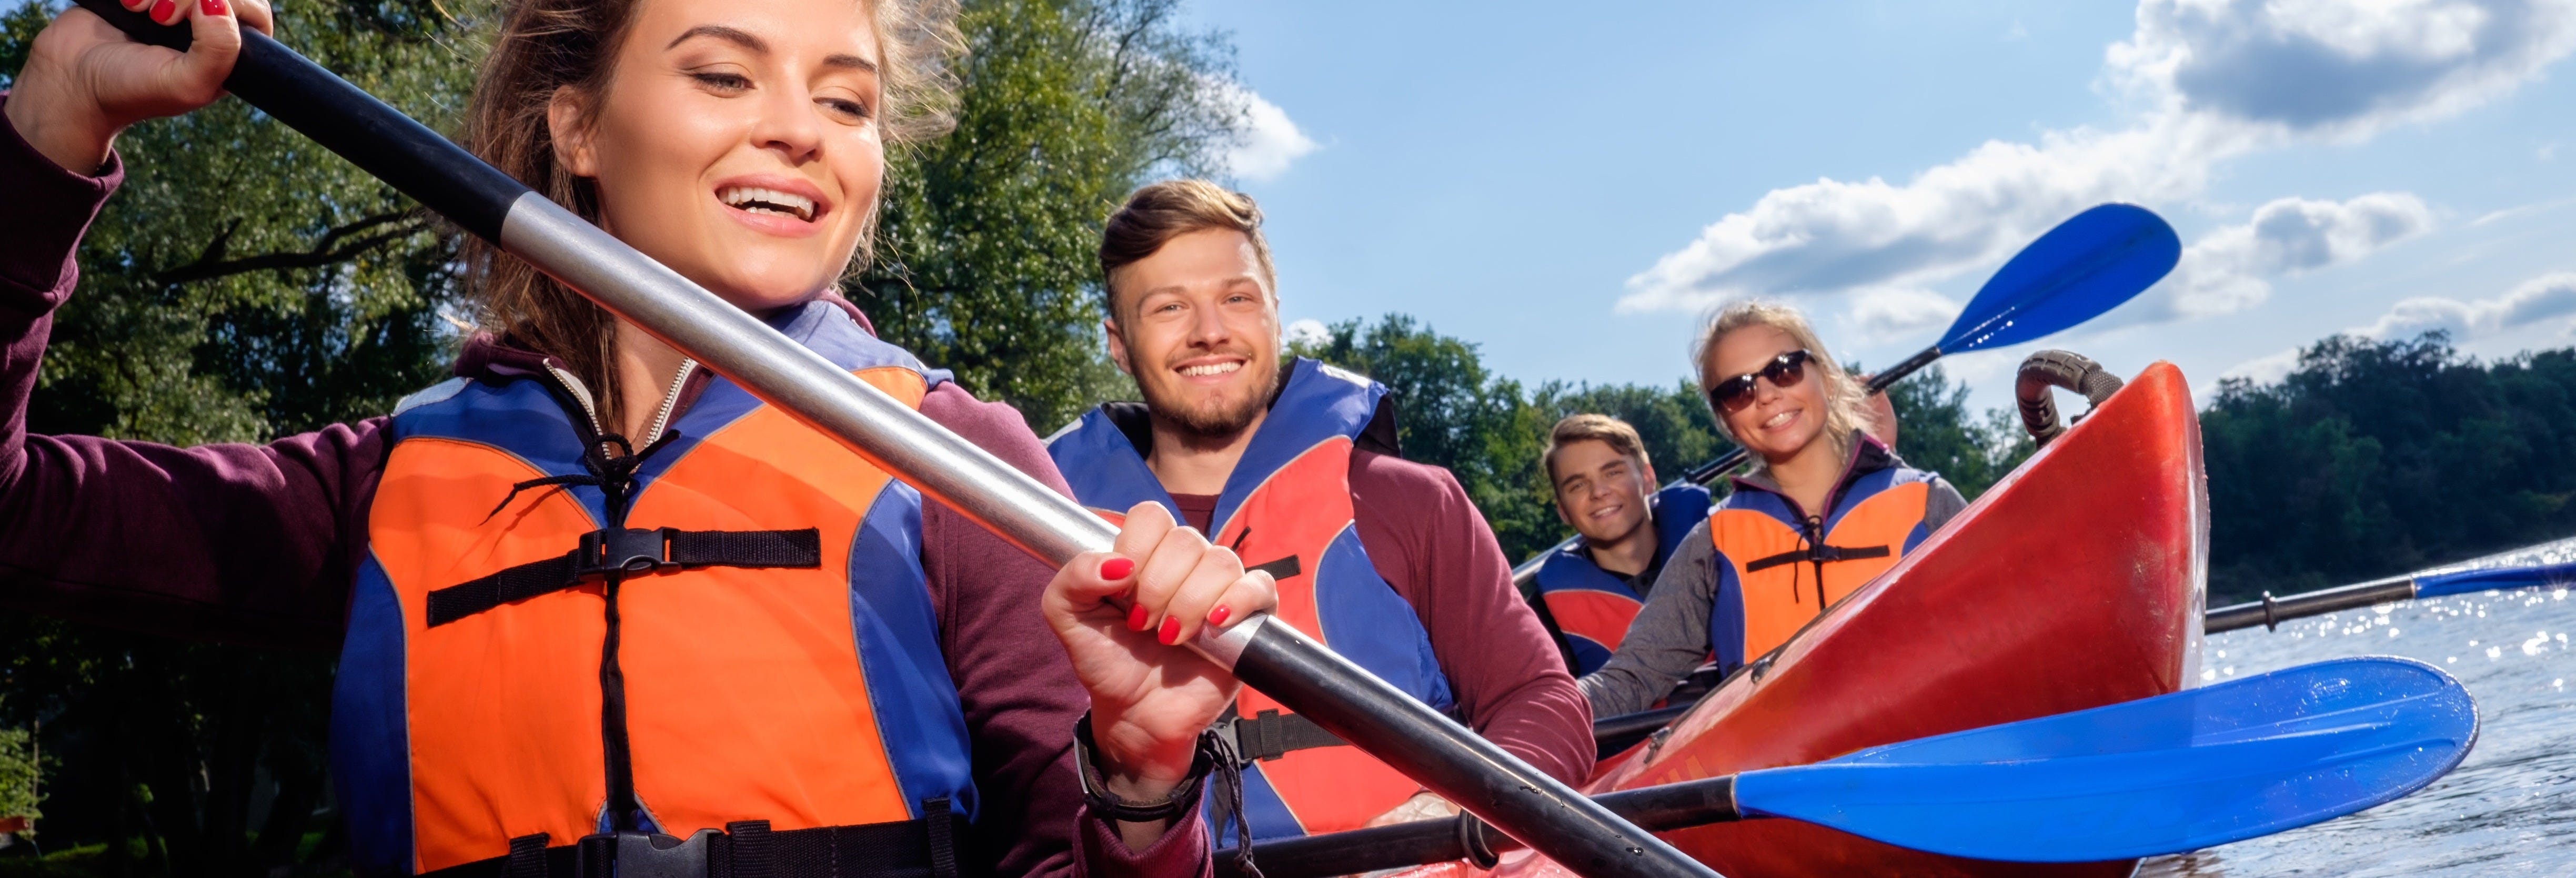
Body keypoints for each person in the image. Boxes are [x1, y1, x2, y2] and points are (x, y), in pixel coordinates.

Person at [0, 1, 1275, 875]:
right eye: (724, 74)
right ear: (579, 131)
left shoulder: (952, 454)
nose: (799, 128)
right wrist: (52, 128)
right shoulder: (386, 480)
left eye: (847, 98)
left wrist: (1145, 778)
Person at [1045, 181, 1592, 843]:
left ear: (1275, 315)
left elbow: (1543, 701)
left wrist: (1441, 830)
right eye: (1168, 308)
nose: (1210, 331)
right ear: (1118, 344)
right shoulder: (1049, 532)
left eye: (1237, 298)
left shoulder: (1411, 500)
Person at [1579, 301, 1966, 720]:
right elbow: (1631, 678)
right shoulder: (1713, 542)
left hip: (1919, 753)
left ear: (1829, 379)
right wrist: (1539, 712)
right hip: (1778, 771)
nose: (1765, 395)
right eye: (1737, 390)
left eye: (1785, 368)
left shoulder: (1929, 503)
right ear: (1726, 420)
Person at [1528, 415, 1710, 676]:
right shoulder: (1542, 622)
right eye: (1578, 485)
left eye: (1613, 472)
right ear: (1564, 512)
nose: (1599, 492)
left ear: (1648, 478)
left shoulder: (1721, 548)